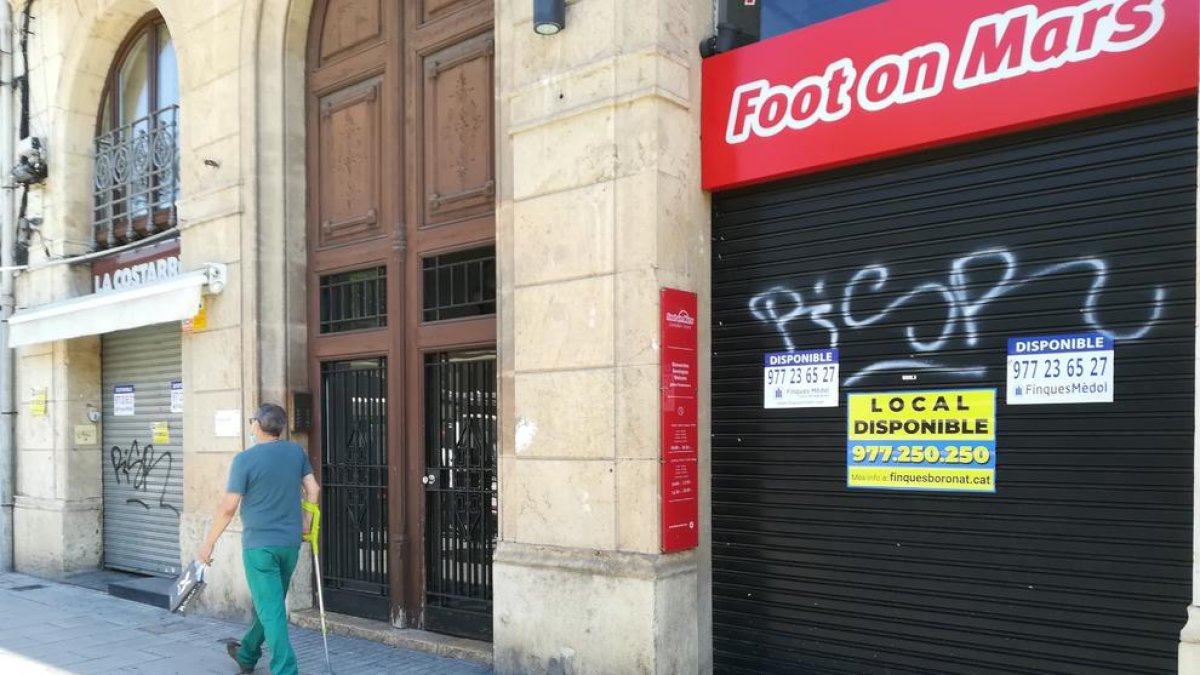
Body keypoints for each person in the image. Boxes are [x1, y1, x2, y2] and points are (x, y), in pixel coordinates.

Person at [197, 402, 320, 675]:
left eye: (252, 420)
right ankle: (247, 653)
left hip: (259, 547)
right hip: (289, 544)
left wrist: (208, 542)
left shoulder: (244, 460)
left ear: (257, 425)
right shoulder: (295, 452)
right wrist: (306, 522)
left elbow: (228, 507)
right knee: (271, 604)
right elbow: (313, 489)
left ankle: (286, 669)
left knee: (272, 609)